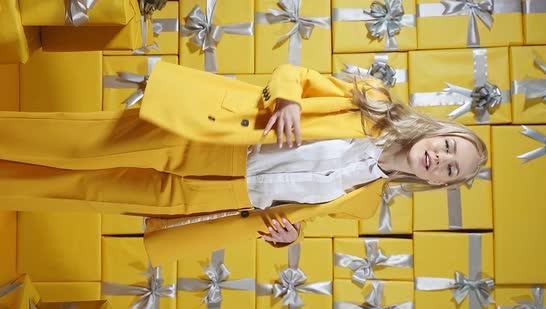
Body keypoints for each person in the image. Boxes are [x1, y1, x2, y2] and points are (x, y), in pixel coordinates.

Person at [0, 62, 486, 263]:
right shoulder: (372, 102)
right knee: (74, 144)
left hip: (216, 198)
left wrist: (290, 236)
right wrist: (289, 101)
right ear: (438, 132)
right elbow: (292, 73)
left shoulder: (364, 205)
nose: (439, 159)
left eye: (449, 169)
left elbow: (298, 208)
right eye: (447, 148)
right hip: (212, 139)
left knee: (83, 193)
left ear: (437, 183)